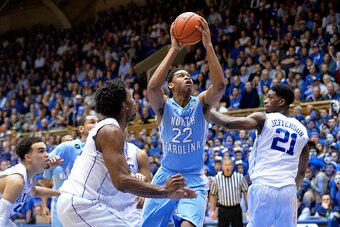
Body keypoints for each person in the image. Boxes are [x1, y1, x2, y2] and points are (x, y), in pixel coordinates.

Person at [56, 79, 196, 226]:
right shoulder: (110, 130)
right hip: (82, 204)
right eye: (130, 97)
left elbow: (122, 181)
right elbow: (121, 181)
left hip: (84, 204)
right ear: (124, 106)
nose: (134, 100)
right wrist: (165, 191)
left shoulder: (112, 131)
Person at [142, 16, 226, 227]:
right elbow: (152, 88)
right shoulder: (163, 106)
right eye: (181, 75)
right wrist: (173, 50)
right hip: (166, 175)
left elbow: (220, 86)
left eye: (189, 75)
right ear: (170, 85)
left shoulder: (202, 104)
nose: (187, 77)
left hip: (194, 178)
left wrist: (207, 45)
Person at [210, 84, 310, 227]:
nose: (266, 100)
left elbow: (228, 122)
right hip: (288, 190)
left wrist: (206, 107)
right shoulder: (302, 130)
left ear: (281, 102)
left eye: (270, 97)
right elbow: (301, 172)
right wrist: (291, 189)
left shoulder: (264, 119)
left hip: (264, 185)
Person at [42, 115, 98, 227]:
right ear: (81, 129)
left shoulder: (102, 149)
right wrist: (44, 205)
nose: (97, 124)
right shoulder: (68, 147)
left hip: (90, 202)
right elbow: (44, 171)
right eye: (92, 122)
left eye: (98, 122)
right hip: (63, 201)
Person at [0, 137, 62, 226]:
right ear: (28, 157)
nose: (47, 154)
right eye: (41, 151)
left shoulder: (29, 176)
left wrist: (61, 192)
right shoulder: (16, 181)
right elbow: (1, 218)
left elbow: (34, 192)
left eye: (46, 150)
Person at [112, 142, 151, 226]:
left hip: (132, 209)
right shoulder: (102, 152)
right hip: (110, 205)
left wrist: (143, 192)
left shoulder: (139, 154)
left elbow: (147, 183)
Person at [209, 157, 248, 227]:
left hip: (236, 209)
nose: (227, 167)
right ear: (222, 166)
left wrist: (249, 208)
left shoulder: (239, 177)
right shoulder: (217, 178)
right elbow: (213, 195)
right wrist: (212, 210)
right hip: (222, 209)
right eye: (225, 165)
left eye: (229, 165)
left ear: (232, 166)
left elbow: (246, 193)